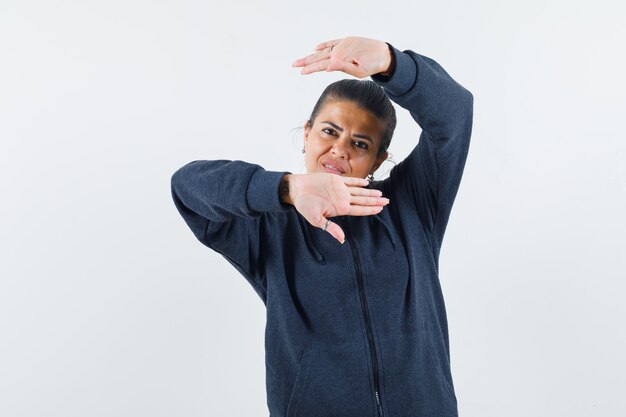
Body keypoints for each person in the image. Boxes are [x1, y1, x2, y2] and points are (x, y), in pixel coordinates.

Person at [171, 35, 473, 417]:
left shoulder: (412, 205)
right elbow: (187, 186)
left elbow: (456, 114)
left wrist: (389, 62)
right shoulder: (268, 226)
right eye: (330, 131)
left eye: (361, 143)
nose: (341, 149)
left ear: (378, 160)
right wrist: (286, 188)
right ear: (307, 133)